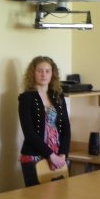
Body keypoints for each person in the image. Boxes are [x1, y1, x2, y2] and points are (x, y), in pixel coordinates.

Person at [18, 55, 71, 187]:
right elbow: (29, 133)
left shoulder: (58, 96)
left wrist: (62, 155)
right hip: (34, 157)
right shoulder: (26, 98)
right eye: (39, 71)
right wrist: (51, 156)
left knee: (59, 198)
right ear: (33, 73)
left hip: (59, 157)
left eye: (47, 71)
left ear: (52, 74)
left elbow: (66, 128)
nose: (44, 74)